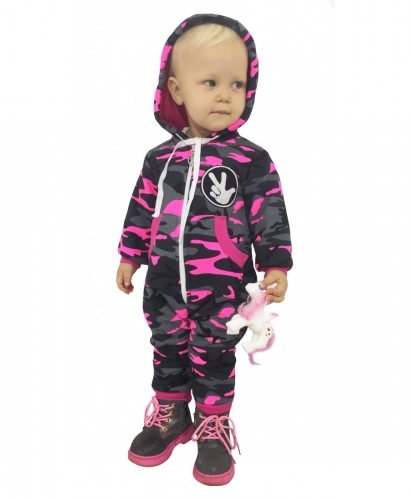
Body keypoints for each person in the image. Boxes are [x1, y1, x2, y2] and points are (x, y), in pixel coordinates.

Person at [116, 13, 293, 486]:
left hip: (223, 288)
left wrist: (276, 264)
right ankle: (171, 415)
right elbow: (141, 210)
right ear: (176, 90)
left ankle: (213, 426)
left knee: (214, 354)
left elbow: (269, 214)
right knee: (167, 347)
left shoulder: (251, 159)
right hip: (163, 286)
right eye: (210, 82)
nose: (225, 95)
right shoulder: (159, 159)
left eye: (236, 84)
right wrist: (130, 255)